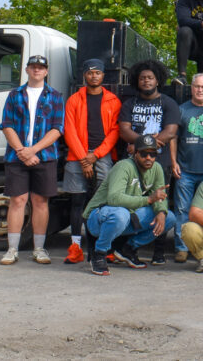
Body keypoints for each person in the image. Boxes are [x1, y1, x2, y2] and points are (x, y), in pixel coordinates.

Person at [0, 54, 65, 266]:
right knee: (17, 201)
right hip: (16, 156)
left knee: (40, 202)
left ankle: (39, 249)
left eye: (41, 67)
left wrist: (33, 150)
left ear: (46, 72)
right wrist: (21, 151)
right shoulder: (14, 95)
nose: (37, 70)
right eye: (33, 67)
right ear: (26, 70)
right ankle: (12, 249)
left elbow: (57, 129)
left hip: (45, 157)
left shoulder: (55, 96)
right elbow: (6, 125)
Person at [82, 135, 177, 275]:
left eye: (153, 154)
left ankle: (128, 249)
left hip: (127, 216)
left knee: (169, 218)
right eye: (144, 154)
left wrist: (161, 212)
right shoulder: (123, 166)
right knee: (121, 214)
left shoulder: (156, 168)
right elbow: (114, 198)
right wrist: (148, 200)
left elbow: (159, 196)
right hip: (98, 217)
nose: (149, 158)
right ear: (135, 153)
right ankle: (99, 253)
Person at [119, 59, 180, 263]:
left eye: (150, 78)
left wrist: (139, 144)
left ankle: (159, 252)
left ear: (158, 80)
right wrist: (142, 143)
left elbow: (170, 132)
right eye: (143, 78)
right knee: (134, 205)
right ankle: (128, 247)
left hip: (159, 165)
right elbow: (124, 130)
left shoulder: (168, 103)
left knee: (160, 205)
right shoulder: (130, 103)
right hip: (133, 165)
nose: (146, 81)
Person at [61, 58, 121, 265]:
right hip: (78, 155)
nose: (94, 76)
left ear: (103, 76)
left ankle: (103, 247)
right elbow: (68, 130)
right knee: (77, 201)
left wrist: (95, 156)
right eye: (90, 72)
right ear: (84, 76)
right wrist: (84, 159)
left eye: (98, 72)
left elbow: (115, 131)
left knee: (103, 202)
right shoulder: (74, 100)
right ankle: (75, 248)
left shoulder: (113, 101)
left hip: (102, 155)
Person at [172, 73, 203, 263]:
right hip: (185, 170)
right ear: (191, 88)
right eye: (197, 86)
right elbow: (174, 138)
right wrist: (174, 162)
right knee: (182, 209)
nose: (200, 90)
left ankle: (202, 246)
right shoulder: (182, 110)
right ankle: (181, 247)